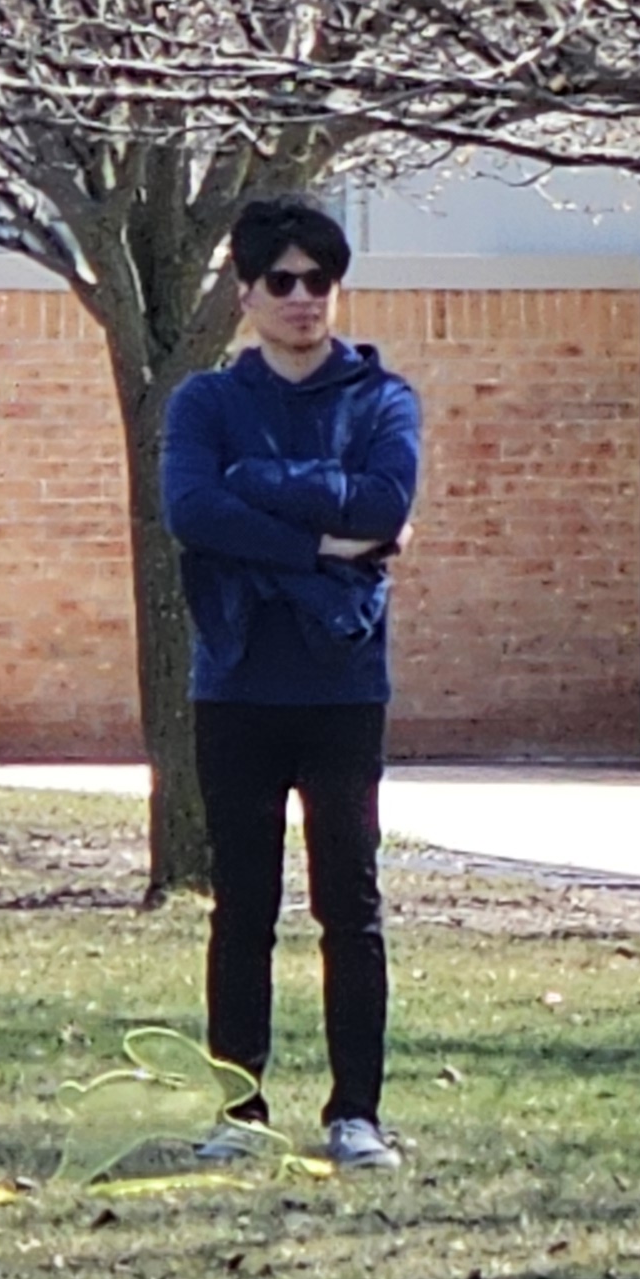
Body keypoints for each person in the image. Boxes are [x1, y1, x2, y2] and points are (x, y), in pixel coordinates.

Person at [161, 199, 421, 1177]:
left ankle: (356, 1114)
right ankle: (240, 1109)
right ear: (247, 294)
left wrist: (257, 485)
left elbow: (385, 502)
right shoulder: (205, 404)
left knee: (350, 904)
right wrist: (322, 543)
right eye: (282, 280)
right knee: (242, 906)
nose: (303, 297)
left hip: (344, 686)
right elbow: (193, 509)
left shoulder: (382, 400)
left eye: (320, 280)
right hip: (236, 684)